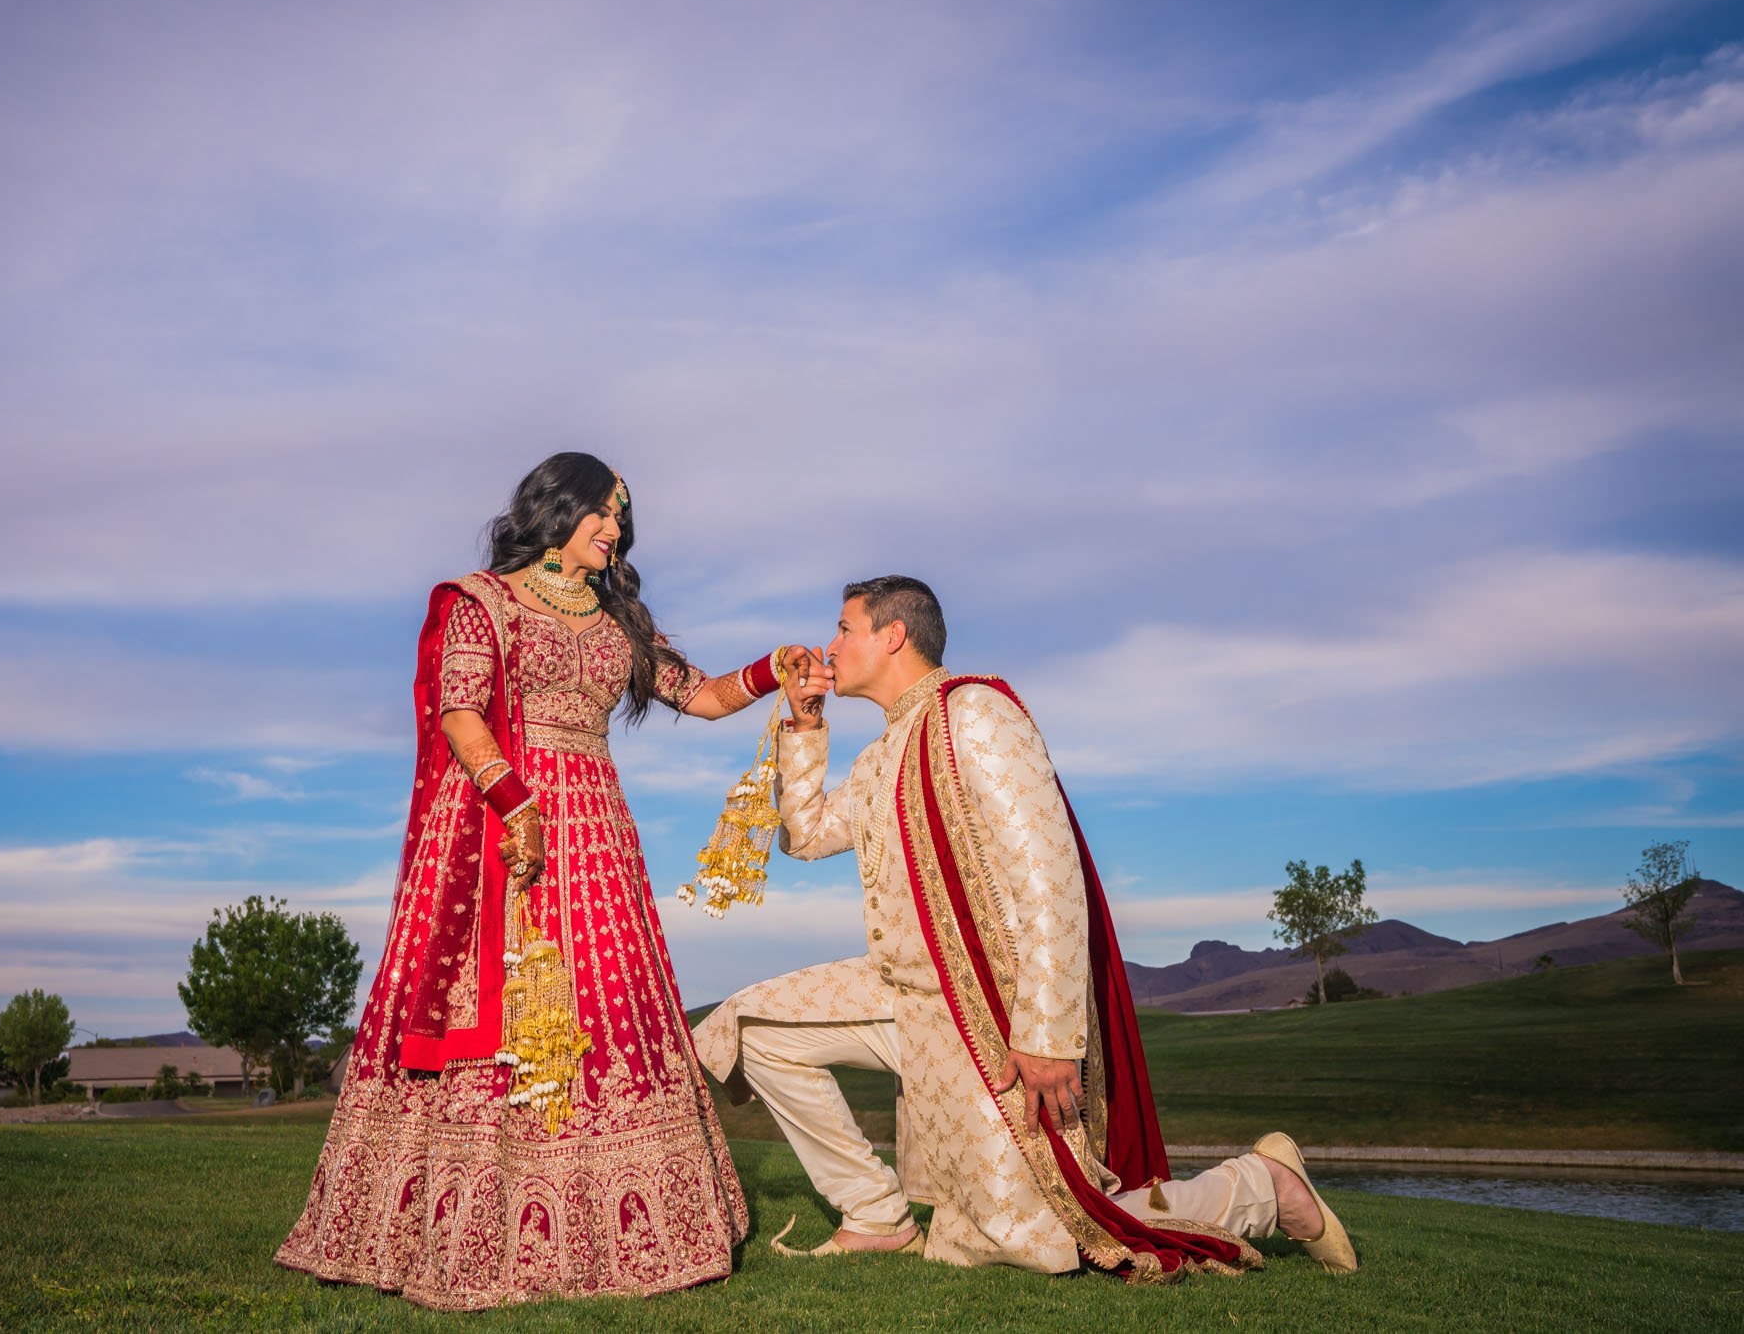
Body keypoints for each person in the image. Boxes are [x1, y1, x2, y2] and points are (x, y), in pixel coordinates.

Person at [693, 576, 1358, 1281]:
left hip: (982, 1009)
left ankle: (1264, 1184)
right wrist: (803, 723)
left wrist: (1046, 1033)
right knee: (749, 1027)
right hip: (899, 992)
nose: (830, 646)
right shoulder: (880, 756)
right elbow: (803, 834)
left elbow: (1050, 874)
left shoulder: (975, 713)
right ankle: (873, 1215)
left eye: (844, 628)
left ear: (892, 635)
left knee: (1037, 1235)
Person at [275, 453, 799, 1310]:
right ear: (557, 509)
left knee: (608, 999)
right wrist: (514, 801)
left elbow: (698, 694)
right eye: (602, 512)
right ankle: (468, 1227)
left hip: (597, 834)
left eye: (621, 519)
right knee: (516, 1006)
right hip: (504, 831)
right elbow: (459, 709)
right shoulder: (484, 600)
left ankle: (623, 1227)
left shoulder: (618, 616)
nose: (616, 530)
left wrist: (775, 666)